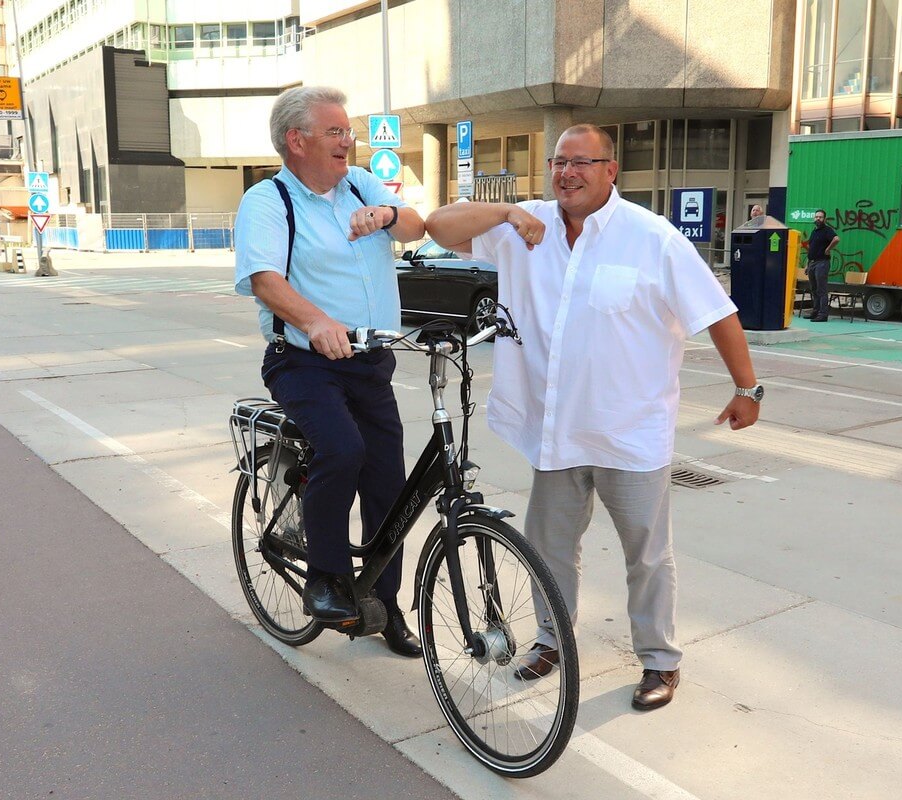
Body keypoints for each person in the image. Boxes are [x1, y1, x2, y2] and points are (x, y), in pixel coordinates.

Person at [426, 123, 762, 710]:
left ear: (611, 171)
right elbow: (438, 227)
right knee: (549, 546)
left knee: (647, 554)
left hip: (629, 432)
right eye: (558, 161)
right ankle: (553, 640)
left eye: (582, 162)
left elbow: (718, 313)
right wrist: (504, 211)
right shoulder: (523, 225)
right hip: (556, 431)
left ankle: (659, 661)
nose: (567, 173)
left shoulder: (651, 238)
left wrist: (747, 388)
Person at [233, 86, 426, 658]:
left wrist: (391, 213)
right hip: (303, 361)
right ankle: (325, 576)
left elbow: (416, 227)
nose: (349, 140)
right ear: (298, 140)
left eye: (348, 130)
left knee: (390, 486)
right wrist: (316, 322)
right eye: (336, 130)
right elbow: (265, 278)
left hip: (370, 361)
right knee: (343, 450)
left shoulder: (360, 183)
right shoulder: (268, 201)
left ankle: (385, 606)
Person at [804, 209, 840, 322]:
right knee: (814, 289)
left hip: (822, 263)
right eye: (816, 217)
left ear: (824, 219)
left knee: (821, 289)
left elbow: (836, 239)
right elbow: (811, 248)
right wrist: (807, 264)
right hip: (812, 263)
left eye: (820, 217)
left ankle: (823, 314)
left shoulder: (827, 230)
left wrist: (828, 249)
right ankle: (815, 312)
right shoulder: (814, 231)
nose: (818, 219)